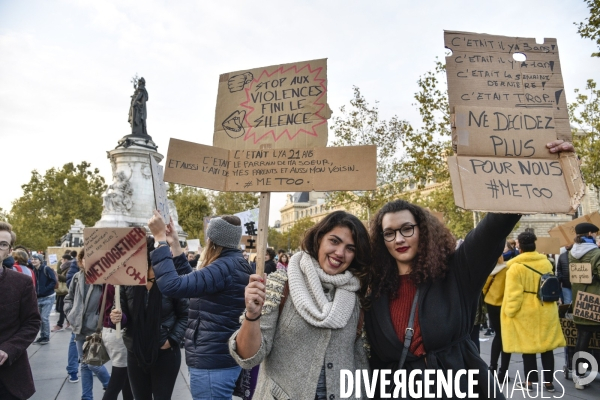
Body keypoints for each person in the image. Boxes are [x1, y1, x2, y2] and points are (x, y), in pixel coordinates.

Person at [362, 140, 574, 398]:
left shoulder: (456, 272)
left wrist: (541, 160)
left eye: (407, 229)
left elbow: (495, 224)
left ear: (423, 230)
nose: (399, 239)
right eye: (389, 233)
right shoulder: (374, 288)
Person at [230, 211, 371, 399]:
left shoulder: (356, 296)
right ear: (319, 239)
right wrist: (252, 315)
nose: (340, 253)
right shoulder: (280, 284)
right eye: (334, 241)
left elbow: (359, 361)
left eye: (350, 248)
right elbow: (248, 357)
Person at [149, 211, 253, 400]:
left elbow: (172, 285)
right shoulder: (231, 264)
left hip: (212, 363)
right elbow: (196, 283)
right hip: (218, 358)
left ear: (212, 240)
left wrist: (160, 241)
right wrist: (174, 244)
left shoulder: (223, 268)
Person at [109, 236, 188, 400]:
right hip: (135, 351)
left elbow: (185, 315)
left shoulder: (170, 278)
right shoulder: (128, 280)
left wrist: (172, 340)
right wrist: (117, 317)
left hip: (165, 352)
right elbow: (124, 316)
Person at [501, 231, 565, 392]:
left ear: (520, 248)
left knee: (528, 349)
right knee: (547, 347)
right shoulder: (546, 263)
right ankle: (549, 383)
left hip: (526, 311)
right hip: (546, 308)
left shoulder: (515, 267)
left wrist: (509, 312)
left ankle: (530, 382)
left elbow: (513, 295)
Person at [0, 222, 41, 400]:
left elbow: (32, 323)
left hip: (10, 376)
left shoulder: (21, 282)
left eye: (2, 244)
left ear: (9, 251)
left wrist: (8, 349)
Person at [64, 249, 110, 400]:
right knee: (84, 365)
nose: (87, 261)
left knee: (92, 364)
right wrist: (70, 313)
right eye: (84, 258)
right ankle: (87, 397)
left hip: (95, 328)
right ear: (81, 260)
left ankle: (110, 384)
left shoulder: (103, 279)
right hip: (79, 327)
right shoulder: (77, 277)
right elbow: (69, 298)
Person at [568, 222, 600, 390]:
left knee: (582, 340)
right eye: (595, 233)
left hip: (579, 303)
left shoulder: (571, 252)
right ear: (590, 233)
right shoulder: (595, 252)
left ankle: (579, 377)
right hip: (595, 303)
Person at [483, 256, 512, 382]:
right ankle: (503, 372)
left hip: (492, 304)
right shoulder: (509, 268)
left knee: (498, 335)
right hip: (505, 305)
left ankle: (492, 367)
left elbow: (484, 287)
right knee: (506, 338)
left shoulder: (491, 269)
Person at [31, 253, 57, 345]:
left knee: (44, 317)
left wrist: (45, 289)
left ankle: (46, 336)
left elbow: (53, 281)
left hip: (48, 297)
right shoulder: (33, 270)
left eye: (35, 259)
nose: (33, 261)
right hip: (39, 297)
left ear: (40, 260)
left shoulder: (46, 269)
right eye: (32, 259)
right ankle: (42, 336)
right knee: (40, 318)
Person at [52, 253, 73, 332]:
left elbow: (67, 278)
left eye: (62, 259)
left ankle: (60, 324)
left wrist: (57, 275)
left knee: (61, 308)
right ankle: (69, 321)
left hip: (65, 290)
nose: (61, 261)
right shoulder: (64, 267)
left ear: (66, 260)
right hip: (62, 291)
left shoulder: (69, 268)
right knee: (60, 308)